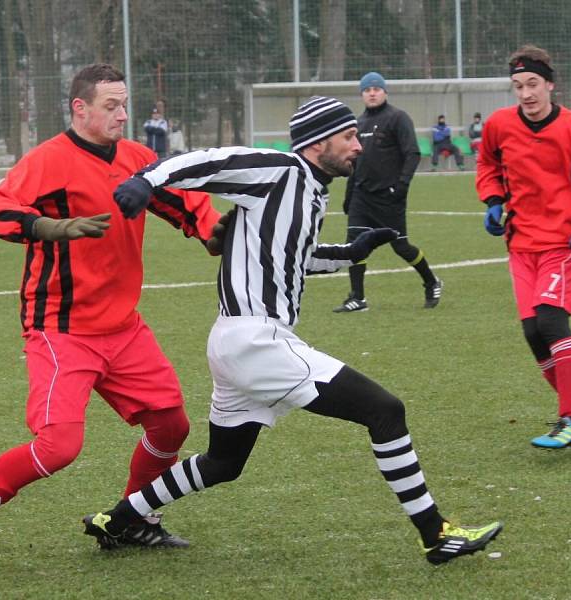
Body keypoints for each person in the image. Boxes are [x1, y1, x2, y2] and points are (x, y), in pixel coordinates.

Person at [83, 95, 503, 565]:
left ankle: (118, 519)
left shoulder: (311, 190)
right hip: (256, 340)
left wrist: (349, 252)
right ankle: (435, 533)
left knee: (224, 463)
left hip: (236, 341)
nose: (358, 147)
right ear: (319, 142)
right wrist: (146, 180)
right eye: (348, 137)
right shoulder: (280, 168)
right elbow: (209, 159)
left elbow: (294, 260)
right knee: (385, 411)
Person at [0, 63, 221, 583]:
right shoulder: (48, 161)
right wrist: (45, 226)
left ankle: (128, 519)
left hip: (123, 328)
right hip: (61, 328)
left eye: (124, 104)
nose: (123, 114)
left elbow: (187, 204)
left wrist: (221, 233)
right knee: (59, 447)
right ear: (80, 108)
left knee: (172, 424)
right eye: (111, 106)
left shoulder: (138, 159)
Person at [477, 45, 571, 451]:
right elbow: (487, 164)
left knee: (553, 323)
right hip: (521, 243)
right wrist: (493, 199)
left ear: (550, 85)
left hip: (563, 241)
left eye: (533, 84)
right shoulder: (499, 125)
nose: (526, 94)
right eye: (518, 86)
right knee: (534, 334)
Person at [335, 71, 443, 312]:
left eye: (376, 88)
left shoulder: (397, 118)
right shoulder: (357, 124)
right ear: (362, 94)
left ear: (385, 92)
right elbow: (355, 161)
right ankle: (358, 298)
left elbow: (412, 153)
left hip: (389, 197)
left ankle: (431, 281)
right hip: (362, 197)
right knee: (353, 245)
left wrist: (401, 186)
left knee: (401, 247)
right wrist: (349, 195)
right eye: (367, 89)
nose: (372, 93)